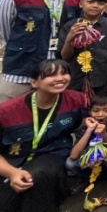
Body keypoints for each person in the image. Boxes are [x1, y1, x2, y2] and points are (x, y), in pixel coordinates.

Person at [0, 60, 87, 212]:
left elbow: (102, 112)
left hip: (52, 153)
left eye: (64, 73)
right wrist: (11, 172)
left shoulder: (77, 100)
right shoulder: (6, 111)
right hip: (12, 159)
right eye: (51, 75)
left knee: (36, 178)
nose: (60, 78)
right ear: (34, 82)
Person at [0, 0, 82, 103]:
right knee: (11, 115)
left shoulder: (77, 0)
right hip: (21, 70)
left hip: (60, 73)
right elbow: (6, 33)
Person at [58, 0, 107, 94]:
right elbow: (65, 56)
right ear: (81, 4)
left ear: (105, 6)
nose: (95, 6)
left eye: (100, 3)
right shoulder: (69, 26)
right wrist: (69, 39)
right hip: (77, 80)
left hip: (104, 80)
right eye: (90, 2)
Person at [66, 93, 107, 187]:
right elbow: (74, 155)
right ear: (90, 112)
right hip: (93, 156)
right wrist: (89, 130)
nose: (100, 114)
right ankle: (88, 177)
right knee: (70, 163)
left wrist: (103, 134)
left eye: (106, 110)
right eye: (96, 111)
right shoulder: (86, 125)